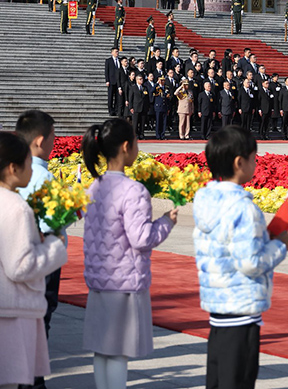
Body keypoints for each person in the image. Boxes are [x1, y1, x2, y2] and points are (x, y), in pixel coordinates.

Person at [193, 125, 288, 389]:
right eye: (253, 158)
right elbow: (251, 263)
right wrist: (281, 245)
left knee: (218, 380)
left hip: (219, 305)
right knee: (238, 380)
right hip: (241, 309)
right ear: (240, 163)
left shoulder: (206, 200)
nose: (256, 163)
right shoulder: (243, 209)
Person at [81, 118, 178, 389]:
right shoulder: (134, 190)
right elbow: (142, 237)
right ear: (126, 147)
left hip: (99, 279)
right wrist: (165, 222)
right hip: (124, 281)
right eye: (136, 141)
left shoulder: (94, 186)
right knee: (118, 353)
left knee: (102, 349)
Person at [0, 131, 67, 389]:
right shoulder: (17, 207)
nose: (32, 168)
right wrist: (53, 247)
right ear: (13, 168)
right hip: (13, 313)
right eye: (29, 163)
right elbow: (21, 266)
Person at [15, 111, 64, 389]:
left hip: (17, 259)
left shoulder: (16, 170)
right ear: (41, 140)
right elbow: (49, 226)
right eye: (53, 137)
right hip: (41, 260)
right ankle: (34, 381)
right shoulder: (42, 177)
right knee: (40, 322)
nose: (54, 142)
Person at [128, 74, 149, 139]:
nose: (141, 80)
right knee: (135, 122)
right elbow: (130, 98)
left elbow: (147, 98)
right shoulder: (133, 87)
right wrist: (131, 107)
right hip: (136, 107)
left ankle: (142, 134)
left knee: (142, 122)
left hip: (143, 107)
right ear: (137, 80)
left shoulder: (144, 87)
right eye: (140, 79)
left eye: (142, 79)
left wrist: (147, 107)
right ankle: (135, 134)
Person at [105, 47, 123, 116]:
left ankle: (116, 110)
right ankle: (110, 110)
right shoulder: (108, 61)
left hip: (118, 82)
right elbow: (107, 71)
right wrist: (107, 80)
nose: (117, 53)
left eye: (117, 52)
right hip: (111, 81)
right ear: (112, 53)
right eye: (115, 52)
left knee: (117, 97)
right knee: (110, 96)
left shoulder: (119, 60)